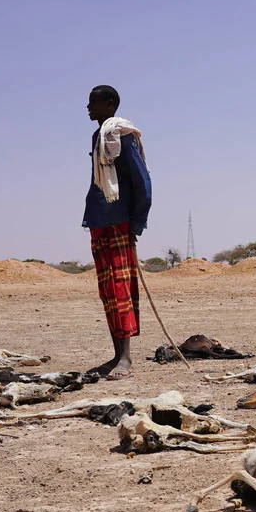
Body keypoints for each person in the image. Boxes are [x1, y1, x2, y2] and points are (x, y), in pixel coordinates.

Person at [83, 85, 152, 380]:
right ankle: (116, 356)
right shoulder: (100, 137)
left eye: (93, 103)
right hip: (99, 222)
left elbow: (142, 183)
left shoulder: (121, 135)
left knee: (121, 291)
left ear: (109, 105)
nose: (88, 107)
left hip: (118, 223)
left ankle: (126, 359)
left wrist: (135, 223)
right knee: (108, 293)